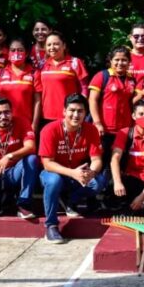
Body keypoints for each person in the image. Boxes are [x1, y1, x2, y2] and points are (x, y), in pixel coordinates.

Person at [38, 94, 105, 243]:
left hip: (77, 173)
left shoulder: (91, 129)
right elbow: (47, 163)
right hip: (54, 172)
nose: (76, 115)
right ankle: (51, 226)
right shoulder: (49, 130)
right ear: (64, 111)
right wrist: (73, 173)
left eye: (80, 111)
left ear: (85, 113)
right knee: (54, 181)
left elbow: (96, 160)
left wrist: (91, 173)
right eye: (72, 110)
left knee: (98, 182)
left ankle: (70, 200)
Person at [88, 47, 137, 157]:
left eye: (124, 60)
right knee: (102, 161)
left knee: (120, 161)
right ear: (111, 61)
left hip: (124, 130)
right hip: (104, 130)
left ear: (129, 62)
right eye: (117, 60)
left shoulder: (132, 80)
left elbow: (131, 103)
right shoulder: (102, 76)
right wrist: (97, 123)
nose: (120, 63)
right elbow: (92, 100)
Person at [33, 32, 89, 128]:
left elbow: (84, 88)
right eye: (49, 45)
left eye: (56, 44)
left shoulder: (75, 62)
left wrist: (80, 109)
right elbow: (38, 92)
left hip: (69, 116)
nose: (52, 47)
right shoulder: (42, 65)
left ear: (64, 45)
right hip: (46, 115)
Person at [0, 38, 40, 130]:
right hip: (2, 123)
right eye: (13, 50)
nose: (16, 53)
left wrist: (34, 124)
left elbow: (37, 102)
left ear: (26, 53)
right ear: (8, 53)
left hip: (26, 123)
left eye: (20, 50)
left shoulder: (34, 73)